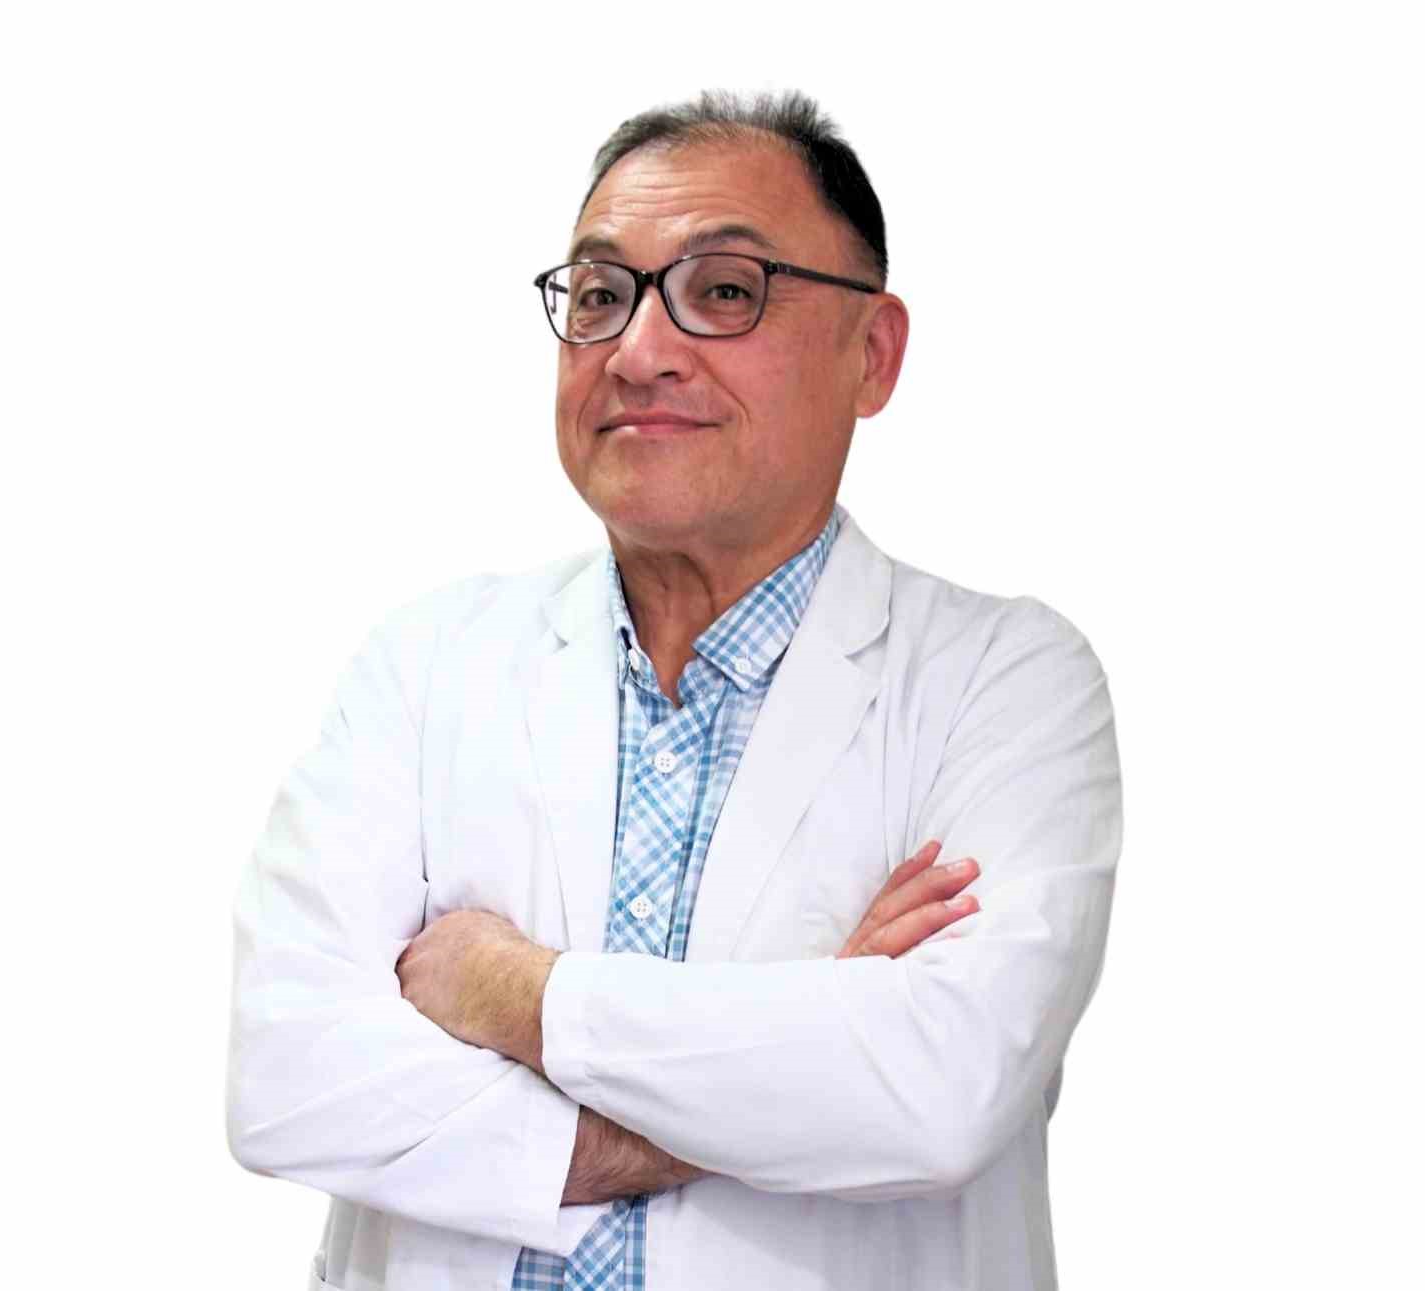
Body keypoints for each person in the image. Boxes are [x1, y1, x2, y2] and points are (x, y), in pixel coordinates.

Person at [227, 89, 1123, 1291]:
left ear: (871, 353)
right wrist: (784, 1058)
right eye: (600, 295)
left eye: (724, 291)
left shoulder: (1005, 683)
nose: (638, 350)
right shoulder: (425, 664)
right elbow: (287, 1081)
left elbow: (937, 1090)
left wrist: (514, 993)